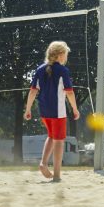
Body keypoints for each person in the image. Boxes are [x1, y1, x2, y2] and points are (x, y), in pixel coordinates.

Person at [24, 41, 80, 182]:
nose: (66, 57)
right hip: (58, 112)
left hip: (44, 111)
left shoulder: (40, 69)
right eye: (66, 54)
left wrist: (28, 109)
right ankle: (57, 175)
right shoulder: (62, 71)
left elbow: (32, 92)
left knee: (51, 136)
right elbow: (70, 93)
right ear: (61, 55)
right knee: (59, 141)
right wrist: (75, 108)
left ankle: (43, 163)